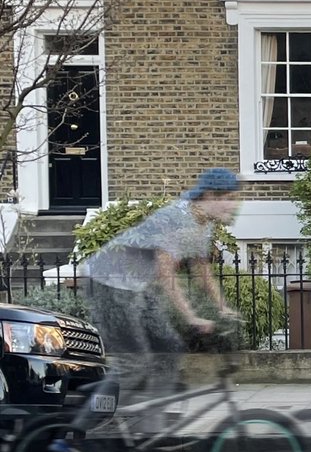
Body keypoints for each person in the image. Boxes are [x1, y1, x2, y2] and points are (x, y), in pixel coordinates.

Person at [83, 167, 242, 412]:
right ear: (210, 196)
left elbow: (202, 271)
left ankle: (150, 425)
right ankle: (90, 426)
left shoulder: (204, 224)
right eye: (229, 199)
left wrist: (223, 308)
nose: (233, 206)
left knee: (170, 347)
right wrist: (190, 317)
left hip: (139, 287)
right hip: (108, 283)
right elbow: (166, 273)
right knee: (132, 363)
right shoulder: (176, 218)